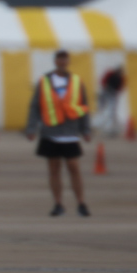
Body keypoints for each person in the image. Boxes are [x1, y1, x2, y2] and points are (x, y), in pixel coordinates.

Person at [25, 49, 92, 217]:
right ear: (55, 61)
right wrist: (31, 128)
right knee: (54, 169)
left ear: (68, 61)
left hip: (70, 132)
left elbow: (84, 105)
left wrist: (86, 129)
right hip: (50, 131)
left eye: (65, 59)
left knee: (74, 167)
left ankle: (81, 203)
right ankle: (58, 203)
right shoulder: (44, 81)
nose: (62, 62)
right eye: (60, 59)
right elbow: (35, 106)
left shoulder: (77, 81)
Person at [99, 65, 125, 137]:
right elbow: (103, 81)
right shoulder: (111, 74)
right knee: (104, 109)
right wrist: (105, 87)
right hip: (107, 91)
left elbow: (120, 88)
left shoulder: (119, 77)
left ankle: (109, 128)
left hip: (111, 93)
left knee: (111, 111)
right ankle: (104, 125)